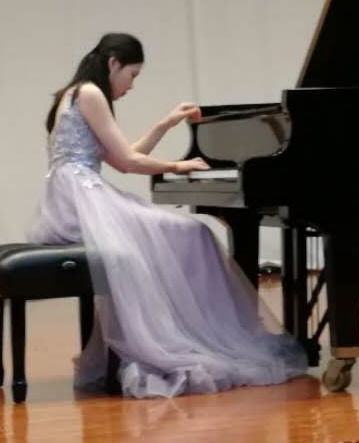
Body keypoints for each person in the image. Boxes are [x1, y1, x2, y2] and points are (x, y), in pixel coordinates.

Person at [26, 32, 310, 398]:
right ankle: (201, 334)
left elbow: (122, 158)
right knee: (194, 234)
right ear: (113, 63)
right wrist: (177, 165)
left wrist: (165, 124)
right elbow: (129, 162)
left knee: (185, 233)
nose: (131, 86)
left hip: (73, 197)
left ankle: (201, 331)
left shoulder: (76, 93)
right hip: (82, 200)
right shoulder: (91, 93)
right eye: (132, 75)